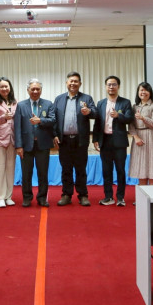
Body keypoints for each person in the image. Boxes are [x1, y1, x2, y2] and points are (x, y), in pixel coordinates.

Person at [53, 72, 97, 206]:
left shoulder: (86, 98)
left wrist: (89, 111)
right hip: (64, 140)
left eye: (76, 81)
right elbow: (54, 119)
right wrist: (54, 134)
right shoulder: (59, 99)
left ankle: (83, 195)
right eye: (71, 81)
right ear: (66, 83)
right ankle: (66, 194)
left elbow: (96, 113)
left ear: (80, 83)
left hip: (80, 140)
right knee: (66, 169)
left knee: (80, 169)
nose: (73, 83)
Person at [14, 79, 56, 208]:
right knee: (26, 174)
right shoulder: (21, 105)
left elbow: (53, 120)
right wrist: (18, 146)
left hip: (43, 144)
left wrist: (40, 120)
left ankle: (42, 198)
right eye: (33, 89)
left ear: (41, 90)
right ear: (28, 90)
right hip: (26, 145)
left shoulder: (48, 104)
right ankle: (27, 198)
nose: (35, 91)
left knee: (42, 173)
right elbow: (17, 127)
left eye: (38, 89)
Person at [93, 75, 133, 206]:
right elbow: (97, 122)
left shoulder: (125, 102)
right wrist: (95, 139)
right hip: (105, 141)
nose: (111, 87)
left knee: (120, 170)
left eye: (114, 84)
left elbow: (129, 118)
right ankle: (108, 196)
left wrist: (118, 115)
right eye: (109, 84)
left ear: (118, 86)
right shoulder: (101, 103)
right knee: (106, 171)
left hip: (119, 142)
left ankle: (120, 197)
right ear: (106, 87)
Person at [0, 77, 17, 208]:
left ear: (10, 87)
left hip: (12, 139)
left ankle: (8, 196)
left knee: (10, 168)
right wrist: (4, 117)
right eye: (1, 87)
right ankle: (0, 197)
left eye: (6, 86)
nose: (4, 89)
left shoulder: (14, 102)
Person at [128, 82, 153, 186]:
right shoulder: (134, 107)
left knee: (152, 167)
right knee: (141, 168)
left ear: (150, 92)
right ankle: (142, 195)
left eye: (146, 90)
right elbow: (131, 124)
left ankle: (152, 194)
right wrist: (136, 137)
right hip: (138, 137)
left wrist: (143, 118)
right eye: (141, 90)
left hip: (151, 136)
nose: (143, 92)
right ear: (138, 92)